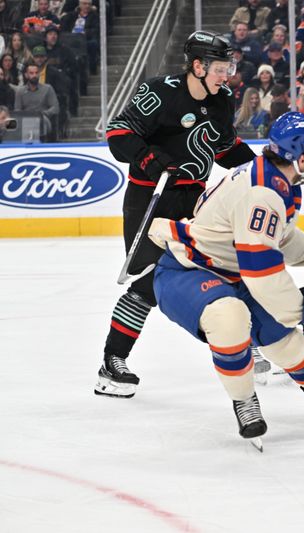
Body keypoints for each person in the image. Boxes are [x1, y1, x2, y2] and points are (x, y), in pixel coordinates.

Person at [147, 112, 304, 444]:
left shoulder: (275, 180)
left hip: (232, 272)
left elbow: (273, 238)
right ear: (300, 156)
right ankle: (244, 399)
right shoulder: (264, 193)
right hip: (187, 271)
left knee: (283, 341)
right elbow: (262, 273)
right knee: (229, 317)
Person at [94, 31, 257, 399]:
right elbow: (119, 133)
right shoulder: (160, 91)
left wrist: (263, 171)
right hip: (150, 199)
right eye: (219, 68)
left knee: (227, 268)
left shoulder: (223, 100)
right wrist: (150, 159)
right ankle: (112, 364)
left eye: (228, 67)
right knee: (148, 284)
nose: (226, 75)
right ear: (198, 66)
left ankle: (251, 345)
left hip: (194, 201)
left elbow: (225, 147)